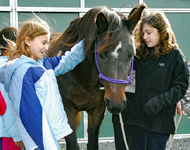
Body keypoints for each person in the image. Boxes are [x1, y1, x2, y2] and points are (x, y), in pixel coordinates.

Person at [0, 15, 85, 150]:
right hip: (40, 139)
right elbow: (29, 112)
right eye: (43, 42)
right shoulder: (23, 71)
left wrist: (87, 42)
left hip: (46, 136)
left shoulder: (43, 64)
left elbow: (68, 59)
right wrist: (45, 144)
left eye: (48, 43)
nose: (47, 48)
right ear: (28, 40)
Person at [112, 10, 189, 150]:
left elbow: (181, 85)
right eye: (143, 33)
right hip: (137, 121)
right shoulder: (139, 55)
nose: (145, 37)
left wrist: (160, 101)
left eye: (149, 32)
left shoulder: (175, 55)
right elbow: (130, 82)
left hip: (160, 123)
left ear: (161, 31)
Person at [0, 26, 24, 150]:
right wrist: (17, 134)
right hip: (9, 134)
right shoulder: (13, 68)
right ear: (10, 44)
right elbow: (12, 104)